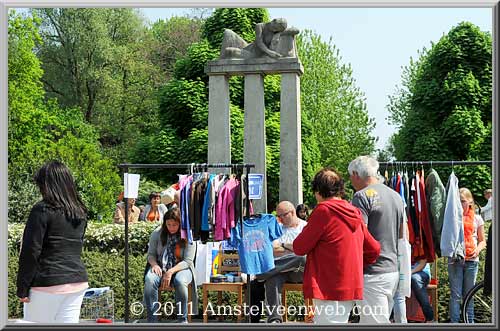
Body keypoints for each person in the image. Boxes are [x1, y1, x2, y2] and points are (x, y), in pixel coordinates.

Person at [293, 168, 381, 324]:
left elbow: (299, 247)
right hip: (350, 284)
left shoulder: (323, 211)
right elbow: (373, 249)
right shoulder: (355, 212)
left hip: (327, 285)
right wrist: (355, 265)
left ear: (319, 191)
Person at [16, 161, 89, 323]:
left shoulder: (42, 210)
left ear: (47, 185)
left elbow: (31, 251)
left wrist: (22, 288)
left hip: (47, 283)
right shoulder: (80, 212)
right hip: (77, 282)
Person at [348, 155, 406, 323]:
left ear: (356, 174)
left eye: (350, 176)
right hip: (392, 269)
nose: (350, 181)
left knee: (374, 322)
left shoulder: (361, 197)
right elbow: (403, 234)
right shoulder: (396, 196)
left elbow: (360, 235)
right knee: (379, 319)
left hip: (371, 271)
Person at [255, 201, 308, 323]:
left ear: (293, 212)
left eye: (283, 215)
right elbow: (273, 249)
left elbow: (303, 250)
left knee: (301, 258)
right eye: (278, 216)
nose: (280, 219)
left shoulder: (305, 227)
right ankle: (274, 319)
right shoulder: (277, 229)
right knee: (272, 279)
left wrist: (283, 245)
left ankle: (263, 273)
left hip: (299, 271)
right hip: (281, 271)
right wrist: (293, 248)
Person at [143, 207, 198, 323]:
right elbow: (151, 255)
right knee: (150, 280)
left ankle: (182, 320)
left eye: (174, 225)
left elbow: (188, 261)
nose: (171, 228)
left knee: (180, 281)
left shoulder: (188, 235)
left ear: (180, 224)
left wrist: (170, 271)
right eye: (168, 225)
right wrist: (154, 265)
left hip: (182, 267)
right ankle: (152, 321)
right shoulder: (157, 233)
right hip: (159, 266)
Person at [448, 188, 486, 323]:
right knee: (455, 295)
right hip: (455, 260)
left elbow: (482, 241)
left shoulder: (477, 218)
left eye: (463, 201)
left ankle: (470, 324)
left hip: (472, 260)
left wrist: (477, 250)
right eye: (457, 201)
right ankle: (454, 324)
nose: (460, 204)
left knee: (469, 295)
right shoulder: (452, 219)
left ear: (470, 202)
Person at [220, 18, 289, 59]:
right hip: (249, 49)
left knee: (230, 51)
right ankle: (220, 61)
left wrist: (280, 33)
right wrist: (270, 52)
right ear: (273, 21)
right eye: (275, 28)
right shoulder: (260, 26)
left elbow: (295, 30)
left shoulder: (276, 33)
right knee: (228, 33)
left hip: (255, 55)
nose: (274, 30)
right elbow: (259, 42)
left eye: (277, 30)